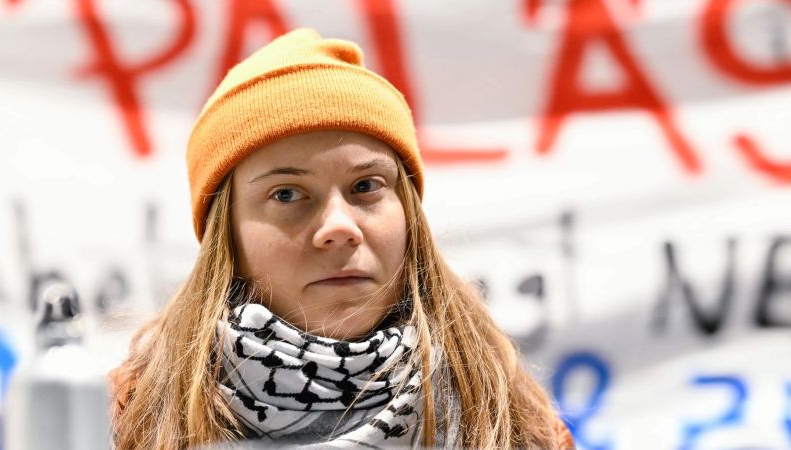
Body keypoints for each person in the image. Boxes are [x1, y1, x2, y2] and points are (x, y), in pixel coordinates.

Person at [109, 28, 574, 449]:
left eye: (367, 186)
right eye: (287, 194)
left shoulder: (513, 420)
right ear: (225, 234)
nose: (339, 226)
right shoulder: (126, 419)